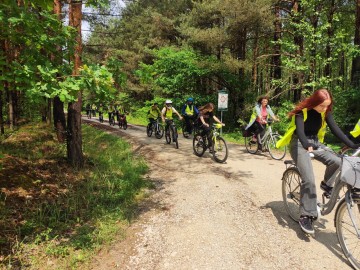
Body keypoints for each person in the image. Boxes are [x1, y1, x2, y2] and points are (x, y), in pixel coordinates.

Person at [276, 88, 359, 234]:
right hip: (299, 144)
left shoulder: (325, 112)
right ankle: (306, 215)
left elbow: (336, 130)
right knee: (309, 179)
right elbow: (300, 133)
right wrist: (307, 145)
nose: (324, 109)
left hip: (315, 142)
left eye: (327, 106)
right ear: (315, 102)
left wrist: (352, 144)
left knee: (338, 161)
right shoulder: (302, 112)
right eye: (322, 106)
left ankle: (327, 185)